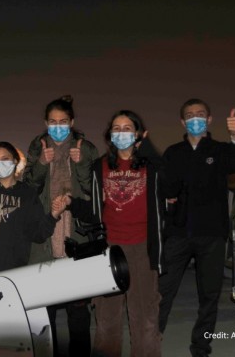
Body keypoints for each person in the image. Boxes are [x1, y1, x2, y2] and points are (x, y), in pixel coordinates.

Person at [67, 110, 164, 357]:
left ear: (138, 133)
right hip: (109, 250)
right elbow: (93, 210)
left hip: (143, 248)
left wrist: (148, 145)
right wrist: (70, 202)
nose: (122, 133)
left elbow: (171, 192)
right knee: (106, 320)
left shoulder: (152, 166)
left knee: (144, 319)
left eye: (127, 128)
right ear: (110, 135)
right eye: (117, 128)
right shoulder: (99, 167)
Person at [158, 98, 235, 357]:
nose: (195, 118)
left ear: (209, 120)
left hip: (212, 234)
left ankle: (201, 347)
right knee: (163, 292)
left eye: (200, 114)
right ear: (182, 121)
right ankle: (151, 340)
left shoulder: (220, 150)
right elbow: (165, 186)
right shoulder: (173, 152)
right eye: (190, 115)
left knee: (209, 296)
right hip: (178, 233)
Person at [24, 95, 98, 357]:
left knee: (78, 308)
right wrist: (42, 163)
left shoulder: (86, 148)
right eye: (53, 122)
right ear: (45, 122)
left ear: (72, 122)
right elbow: (29, 189)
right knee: (46, 308)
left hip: (76, 231)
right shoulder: (38, 145)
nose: (58, 126)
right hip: (46, 230)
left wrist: (80, 166)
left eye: (63, 122)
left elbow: (93, 192)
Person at [0, 141, 67, 277]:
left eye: (5, 159)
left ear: (15, 160)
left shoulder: (27, 194)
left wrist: (53, 215)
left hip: (11, 271)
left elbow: (37, 234)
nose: (0, 163)